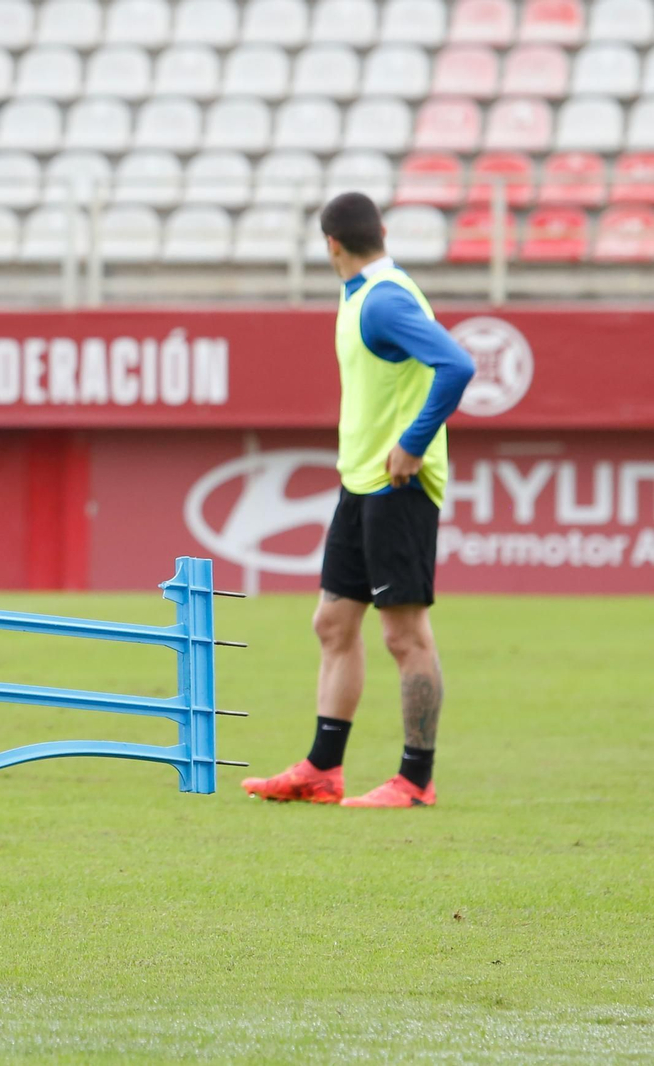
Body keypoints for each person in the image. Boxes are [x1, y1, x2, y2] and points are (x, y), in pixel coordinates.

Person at [242, 192, 475, 809]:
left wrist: (413, 442)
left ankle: (416, 779)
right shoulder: (369, 295)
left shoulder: (383, 301)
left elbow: (456, 365)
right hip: (362, 483)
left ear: (331, 245)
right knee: (333, 623)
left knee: (405, 634)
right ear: (383, 232)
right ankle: (323, 769)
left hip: (398, 486)